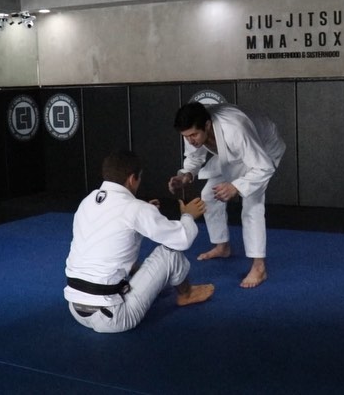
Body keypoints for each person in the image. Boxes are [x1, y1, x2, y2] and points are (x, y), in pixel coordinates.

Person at [64, 148, 214, 333]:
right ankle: (187, 294)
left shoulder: (87, 201)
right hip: (114, 317)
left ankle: (155, 287)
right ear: (132, 179)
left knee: (116, 249)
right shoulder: (136, 209)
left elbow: (116, 228)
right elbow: (182, 239)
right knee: (170, 253)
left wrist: (145, 212)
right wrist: (188, 215)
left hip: (75, 308)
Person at [168, 102, 285, 289]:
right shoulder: (194, 129)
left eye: (193, 135)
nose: (190, 140)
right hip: (235, 153)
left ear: (207, 125)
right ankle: (222, 247)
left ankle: (259, 267)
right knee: (209, 195)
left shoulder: (235, 128)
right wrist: (186, 175)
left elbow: (264, 167)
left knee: (252, 203)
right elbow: (194, 157)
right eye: (186, 136)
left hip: (263, 147)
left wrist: (236, 187)